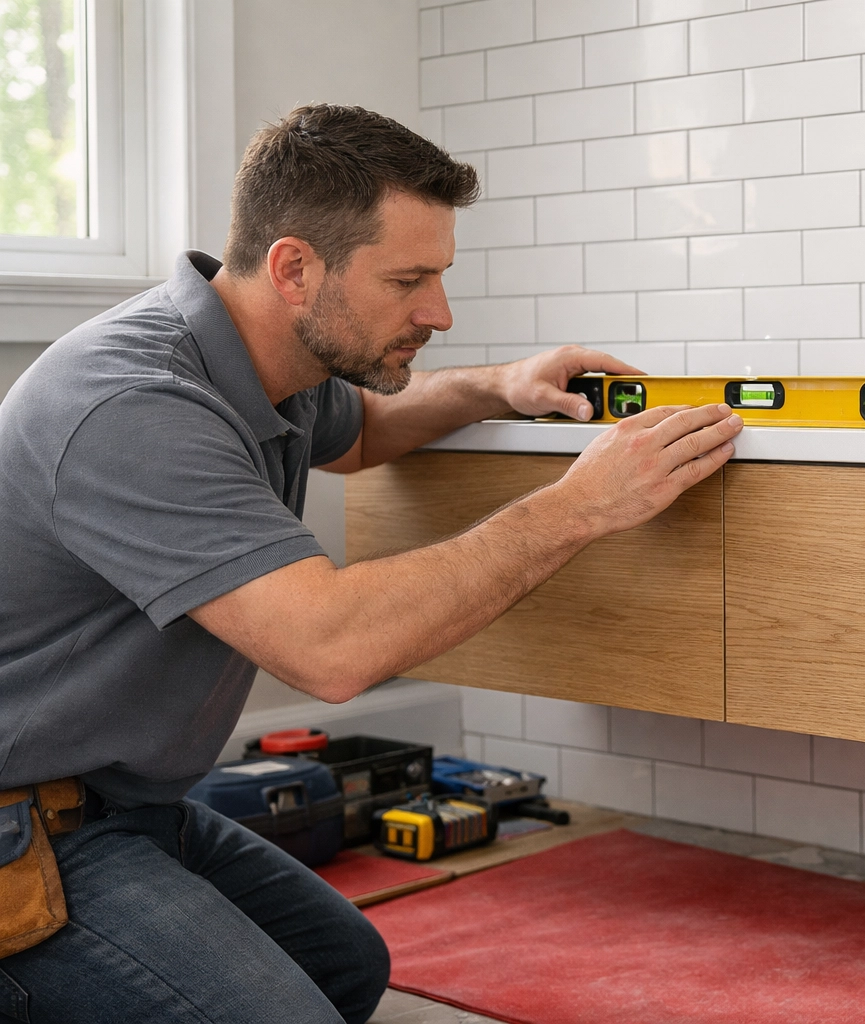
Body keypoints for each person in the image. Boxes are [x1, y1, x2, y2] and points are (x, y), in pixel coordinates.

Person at [0, 104, 741, 1023]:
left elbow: (367, 430)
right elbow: (330, 649)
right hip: (21, 829)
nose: (439, 312)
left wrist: (499, 385)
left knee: (341, 965)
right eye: (408, 280)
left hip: (119, 807)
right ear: (296, 268)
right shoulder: (133, 405)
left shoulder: (264, 360)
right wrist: (580, 506)